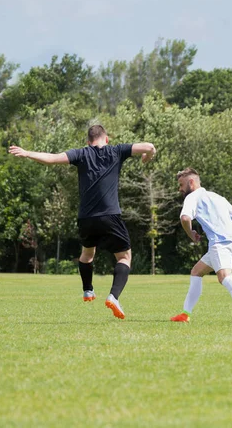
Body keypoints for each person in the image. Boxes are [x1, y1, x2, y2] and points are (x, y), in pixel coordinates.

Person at [9, 124, 156, 319]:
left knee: (87, 254)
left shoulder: (81, 154)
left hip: (86, 217)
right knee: (124, 257)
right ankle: (113, 296)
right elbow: (149, 146)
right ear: (107, 139)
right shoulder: (117, 150)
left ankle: (88, 290)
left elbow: (52, 159)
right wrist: (148, 156)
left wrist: (27, 153)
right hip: (109, 215)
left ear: (88, 141)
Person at [171, 167, 232, 324]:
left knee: (224, 277)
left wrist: (191, 234)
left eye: (182, 184)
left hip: (220, 243)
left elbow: (185, 219)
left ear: (191, 182)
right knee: (196, 272)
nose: (180, 189)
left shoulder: (192, 198)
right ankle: (185, 314)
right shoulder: (218, 197)